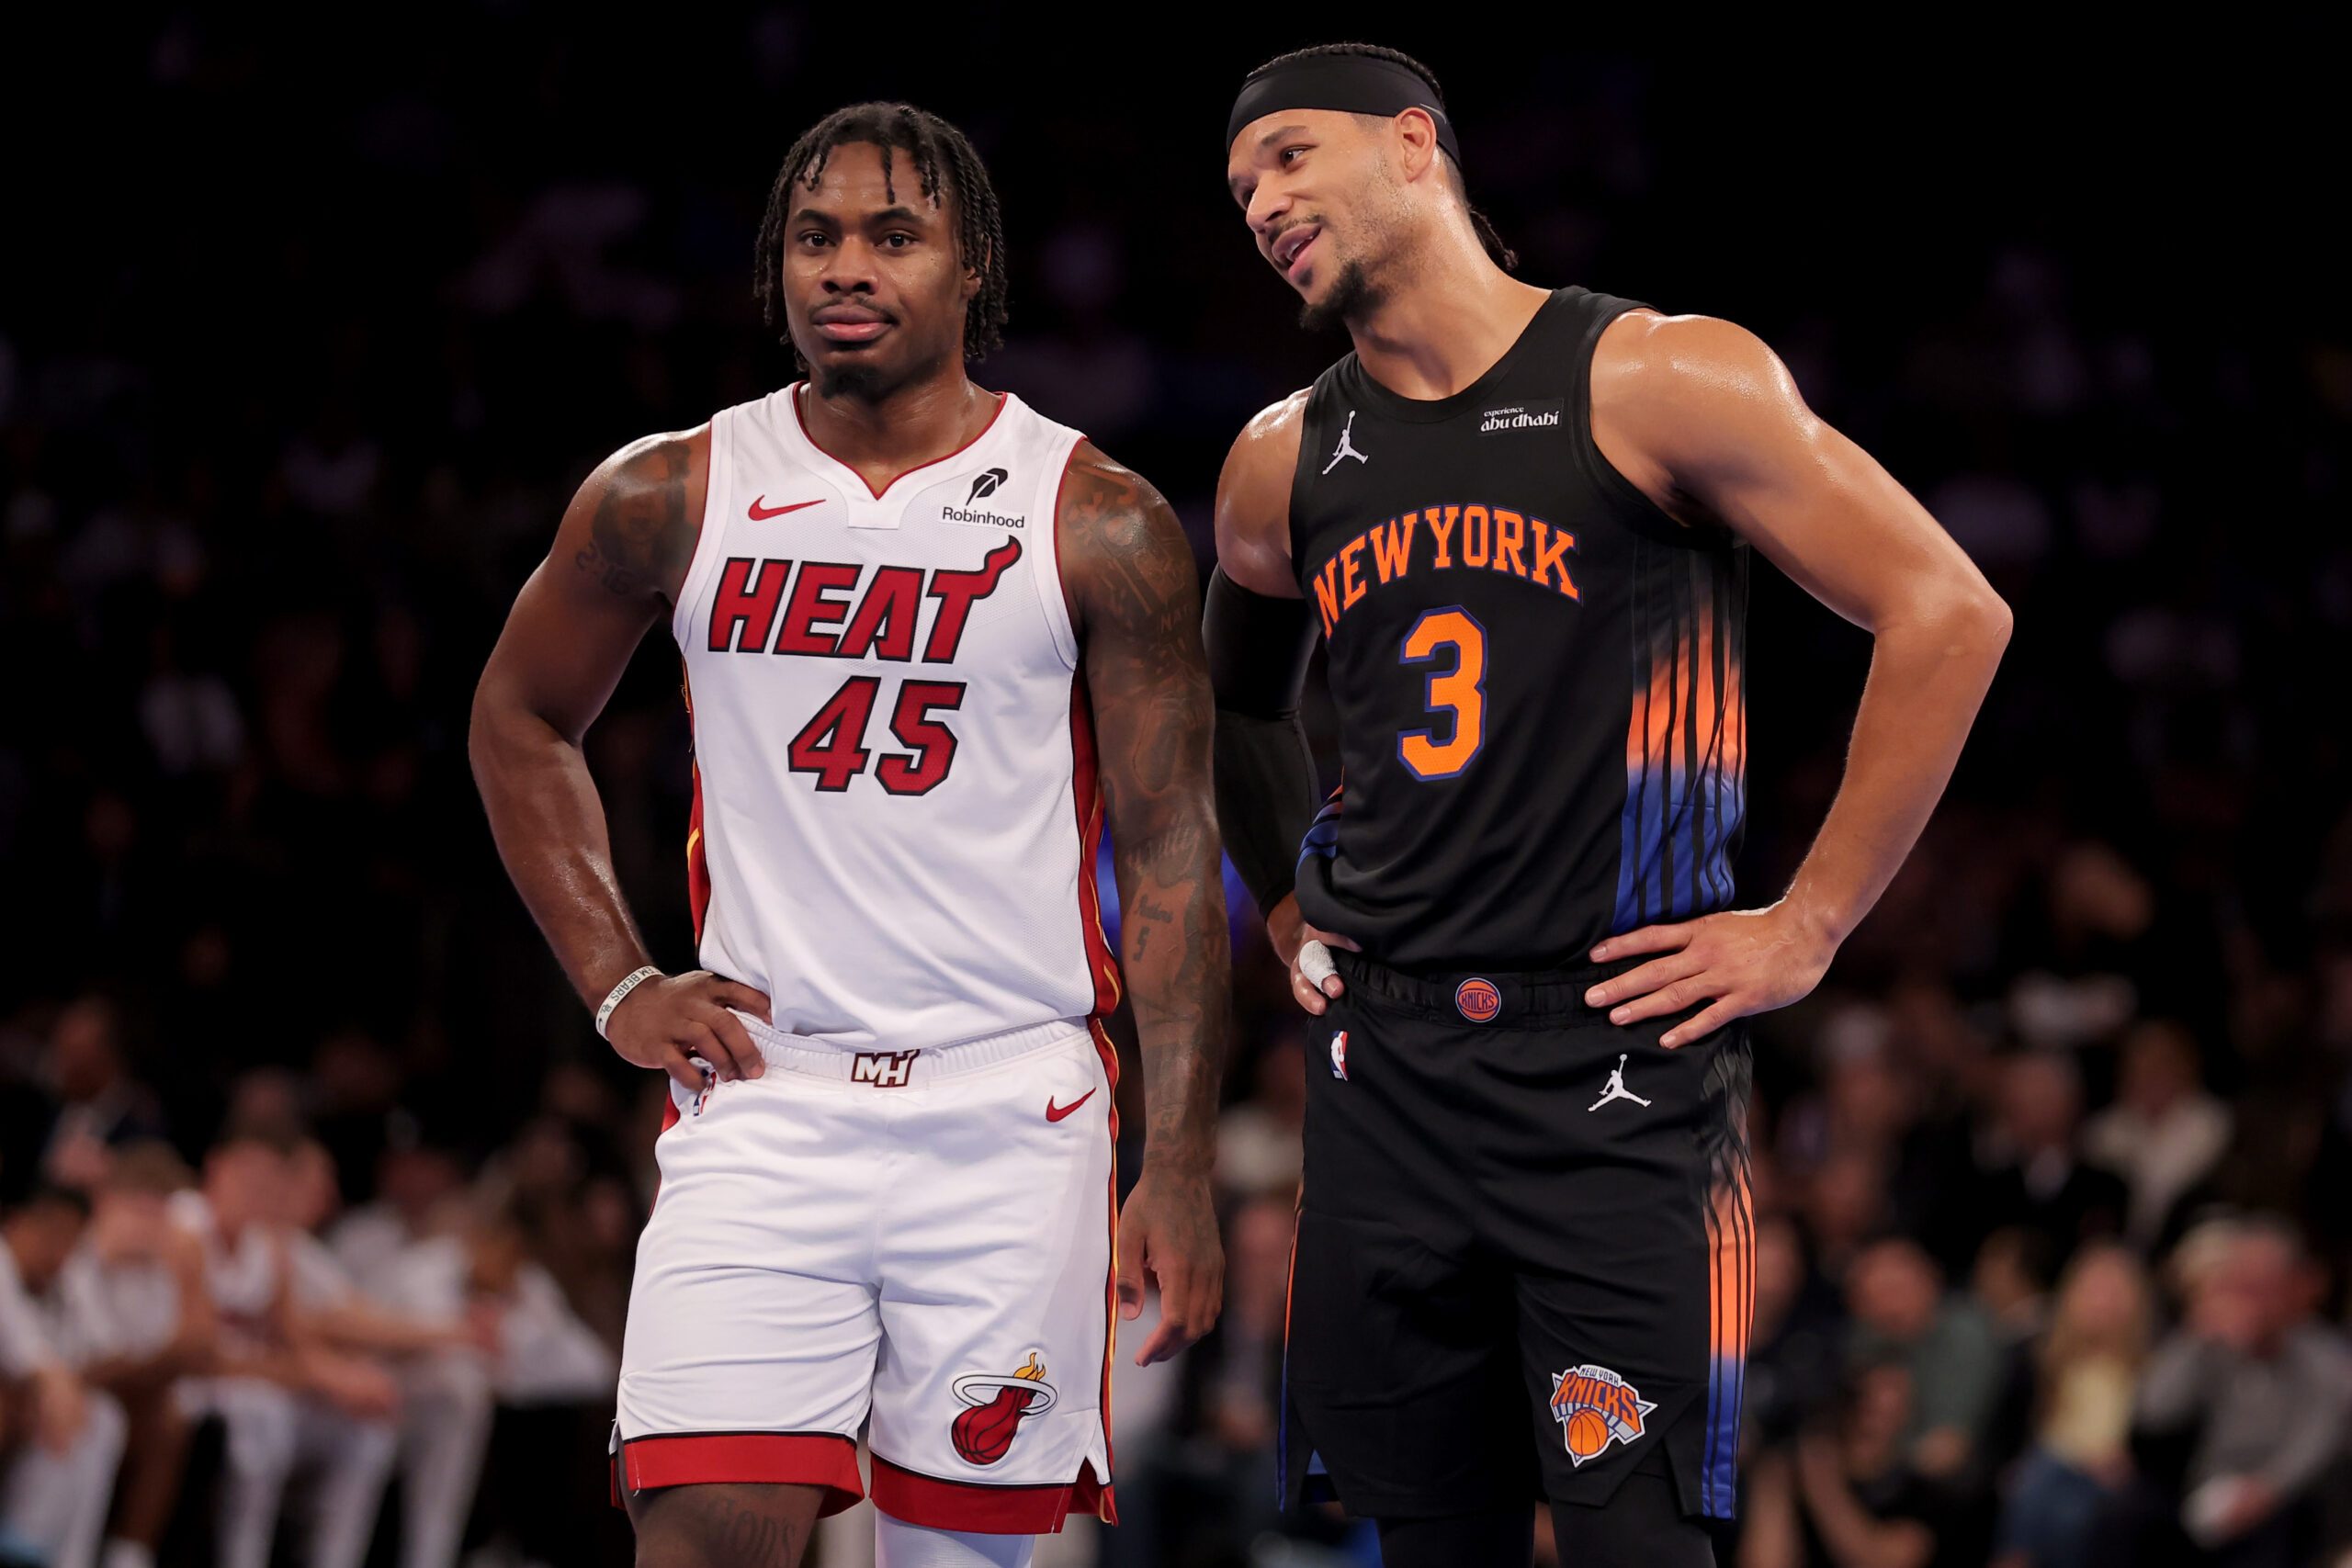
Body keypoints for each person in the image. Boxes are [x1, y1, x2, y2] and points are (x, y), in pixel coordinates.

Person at [1208, 41, 2012, 1567]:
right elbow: (1239, 701)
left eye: (1292, 157)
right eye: (1243, 186)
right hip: (1386, 1076)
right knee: (1423, 1546)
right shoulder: (1282, 456)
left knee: (1640, 1545)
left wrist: (1813, 920)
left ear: (1414, 143)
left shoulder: (1656, 373)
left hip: (1619, 1062)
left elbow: (1945, 610)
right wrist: (1293, 900)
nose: (1262, 202)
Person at [470, 101, 1229, 1568]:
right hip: (769, 1091)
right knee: (697, 1539)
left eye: (895, 234)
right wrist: (623, 986)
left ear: (972, 273)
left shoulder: (1103, 518)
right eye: (815, 237)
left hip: (1012, 1111)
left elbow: (1176, 853)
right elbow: (519, 716)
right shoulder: (672, 489)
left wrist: (1179, 1158)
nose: (846, 266)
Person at [0, 1186, 124, 1568]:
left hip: (32, 1398)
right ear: (16, 1224)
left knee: (103, 1417)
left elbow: (109, 1351)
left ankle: (60, 1555)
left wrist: (60, 1384)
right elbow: (23, 1349)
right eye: (50, 1232)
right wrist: (53, 1382)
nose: (59, 1249)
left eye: (71, 1239)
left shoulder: (68, 1276)